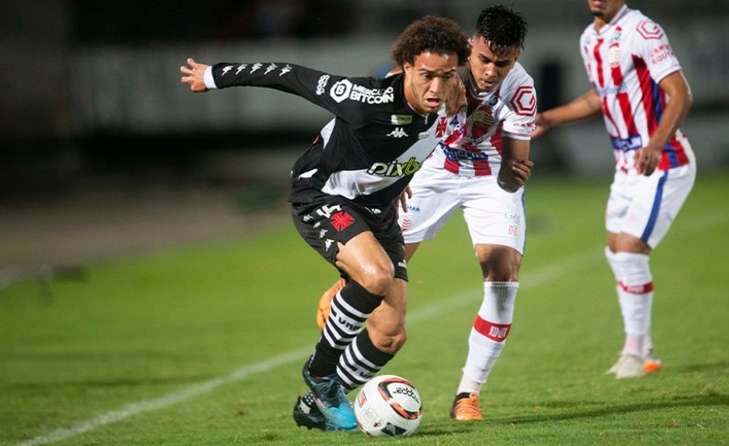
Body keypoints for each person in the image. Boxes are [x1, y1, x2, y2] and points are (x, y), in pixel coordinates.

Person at [181, 16, 527, 431]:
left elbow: (426, 142)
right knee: (377, 275)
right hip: (322, 195)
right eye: (426, 76)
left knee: (390, 333)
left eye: (446, 76)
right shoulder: (364, 99)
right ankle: (322, 373)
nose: (436, 87)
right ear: (405, 67)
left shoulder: (454, 98)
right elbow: (290, 75)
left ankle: (316, 405)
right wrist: (215, 75)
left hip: (378, 212)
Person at [315, 5, 536, 421]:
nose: (490, 71)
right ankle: (344, 290)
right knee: (385, 266)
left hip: (486, 173)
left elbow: (512, 176)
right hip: (431, 168)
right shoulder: (441, 67)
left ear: (517, 57)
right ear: (471, 47)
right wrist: (392, 180)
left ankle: (467, 394)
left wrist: (514, 172)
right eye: (484, 60)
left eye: (502, 64)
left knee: (503, 275)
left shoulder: (521, 93)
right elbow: (383, 113)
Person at [532, 0, 696, 379]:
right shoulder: (590, 37)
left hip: (664, 159)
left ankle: (635, 353)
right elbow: (598, 97)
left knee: (629, 249)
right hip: (625, 163)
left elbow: (680, 93)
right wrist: (549, 119)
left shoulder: (642, 31)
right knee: (615, 249)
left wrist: (655, 142)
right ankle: (644, 347)